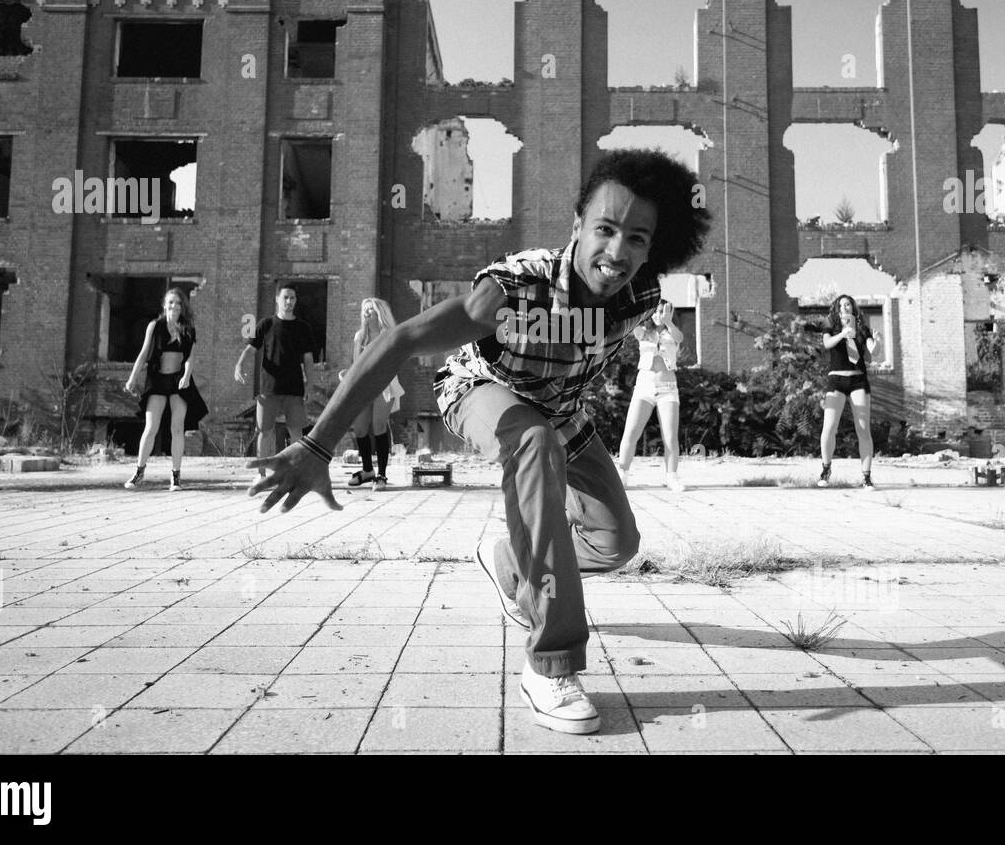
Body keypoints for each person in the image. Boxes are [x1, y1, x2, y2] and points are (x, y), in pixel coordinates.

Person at [246, 149, 712, 735]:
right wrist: (318, 446)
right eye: (605, 229)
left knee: (616, 541)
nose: (617, 254)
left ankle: (511, 562)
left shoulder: (640, 293)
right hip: (481, 389)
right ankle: (551, 662)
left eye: (637, 239)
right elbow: (402, 340)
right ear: (577, 225)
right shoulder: (517, 287)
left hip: (562, 411)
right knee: (533, 443)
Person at [123, 287, 209, 491]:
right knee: (151, 427)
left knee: (177, 428)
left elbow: (190, 357)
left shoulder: (188, 328)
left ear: (182, 307)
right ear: (164, 305)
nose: (174, 306)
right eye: (171, 302)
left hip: (179, 380)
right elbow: (144, 354)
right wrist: (132, 378)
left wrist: (187, 376)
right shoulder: (155, 326)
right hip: (157, 380)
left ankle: (175, 477)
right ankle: (138, 472)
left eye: (178, 303)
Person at [235, 281, 321, 475]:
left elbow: (308, 360)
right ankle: (261, 475)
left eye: (292, 298)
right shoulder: (266, 324)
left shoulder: (303, 328)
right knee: (264, 431)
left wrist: (310, 385)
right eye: (285, 298)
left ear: (296, 301)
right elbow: (250, 349)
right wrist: (239, 364)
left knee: (296, 433)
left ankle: (296, 473)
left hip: (294, 388)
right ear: (277, 299)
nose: (288, 301)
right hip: (268, 388)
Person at [616, 299, 684, 492]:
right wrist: (645, 309)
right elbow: (628, 321)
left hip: (667, 388)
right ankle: (623, 474)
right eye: (655, 311)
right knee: (631, 432)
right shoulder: (643, 332)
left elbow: (679, 337)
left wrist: (669, 322)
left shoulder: (673, 333)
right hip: (644, 387)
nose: (658, 315)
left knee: (670, 437)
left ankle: (672, 477)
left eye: (662, 311)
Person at [817, 293, 879, 489]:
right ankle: (826, 469)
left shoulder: (862, 329)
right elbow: (827, 344)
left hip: (858, 380)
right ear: (837, 309)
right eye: (841, 305)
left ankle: (866, 477)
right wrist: (843, 334)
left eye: (848, 304)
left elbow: (873, 351)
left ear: (853, 308)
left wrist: (877, 342)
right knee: (829, 428)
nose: (845, 307)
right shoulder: (831, 328)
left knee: (863, 429)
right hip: (836, 380)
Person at [345, 298, 404, 490]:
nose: (366, 313)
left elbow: (394, 362)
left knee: (379, 426)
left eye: (371, 310)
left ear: (379, 313)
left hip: (384, 384)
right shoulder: (359, 337)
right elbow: (356, 364)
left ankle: (382, 475)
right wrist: (348, 375)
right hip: (363, 386)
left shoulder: (389, 335)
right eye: (365, 310)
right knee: (360, 428)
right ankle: (367, 470)